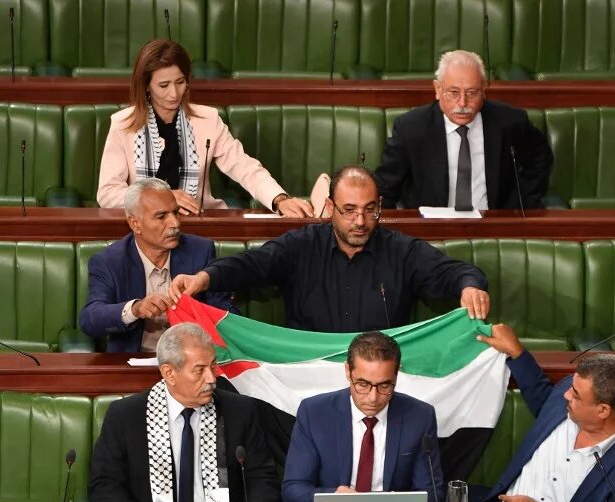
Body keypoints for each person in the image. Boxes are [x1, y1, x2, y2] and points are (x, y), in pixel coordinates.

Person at [169, 165, 491, 332]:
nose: (360, 221)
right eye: (349, 210)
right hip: (310, 376)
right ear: (329, 207)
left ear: (379, 207)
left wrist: (469, 286)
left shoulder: (401, 251)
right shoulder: (301, 246)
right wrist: (204, 278)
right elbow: (250, 265)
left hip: (379, 382)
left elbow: (457, 272)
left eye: (369, 210)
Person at [96, 39, 312, 217]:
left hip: (200, 223)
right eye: (163, 85)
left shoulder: (208, 120)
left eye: (180, 82)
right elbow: (107, 193)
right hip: (146, 228)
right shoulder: (122, 124)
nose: (174, 93)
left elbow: (243, 166)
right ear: (145, 86)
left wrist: (279, 199)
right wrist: (163, 198)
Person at [89, 323, 280, 502]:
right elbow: (105, 486)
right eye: (199, 370)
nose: (211, 378)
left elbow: (263, 481)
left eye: (212, 366)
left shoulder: (239, 411)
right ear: (169, 373)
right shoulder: (126, 416)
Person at [474, 324, 615, 502]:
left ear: (603, 410)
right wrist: (516, 352)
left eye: (575, 395)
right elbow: (545, 401)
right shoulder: (570, 394)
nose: (565, 394)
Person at [281, 331, 441, 502]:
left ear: (396, 376)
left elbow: (433, 494)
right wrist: (334, 498)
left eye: (385, 386)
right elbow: (293, 490)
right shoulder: (314, 413)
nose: (373, 398)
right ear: (348, 371)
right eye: (363, 385)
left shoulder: (420, 417)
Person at [374, 50, 553, 211]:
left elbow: (540, 157)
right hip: (431, 232)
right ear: (438, 89)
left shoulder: (510, 122)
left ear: (483, 90)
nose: (462, 103)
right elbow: (385, 188)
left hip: (493, 228)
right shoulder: (411, 128)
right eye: (453, 92)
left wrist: (521, 202)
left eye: (472, 92)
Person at [79, 178, 234, 352]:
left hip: (191, 362)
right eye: (161, 217)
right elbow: (90, 319)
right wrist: (136, 309)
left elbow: (224, 313)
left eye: (175, 213)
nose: (175, 224)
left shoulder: (200, 250)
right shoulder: (109, 261)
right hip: (133, 364)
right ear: (135, 224)